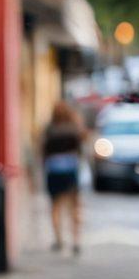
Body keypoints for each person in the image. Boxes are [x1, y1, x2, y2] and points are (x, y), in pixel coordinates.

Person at [41, 100, 86, 255]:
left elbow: (43, 151)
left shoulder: (49, 129)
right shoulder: (73, 128)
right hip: (70, 169)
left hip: (53, 170)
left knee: (55, 206)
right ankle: (76, 240)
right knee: (74, 206)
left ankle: (58, 239)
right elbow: (81, 149)